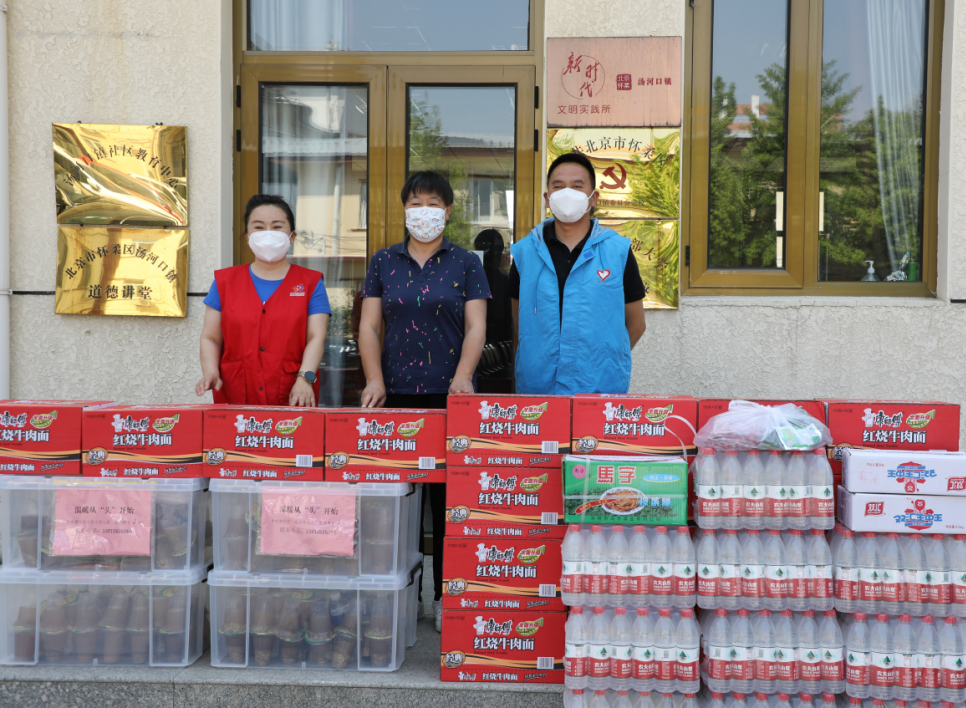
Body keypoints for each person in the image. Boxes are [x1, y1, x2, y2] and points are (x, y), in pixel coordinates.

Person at [357, 170, 490, 632]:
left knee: (449, 502)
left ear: (448, 211)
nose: (424, 211)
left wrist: (463, 377)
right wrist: (374, 379)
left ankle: (445, 596)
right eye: (415, 203)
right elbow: (369, 325)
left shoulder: (466, 262)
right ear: (404, 209)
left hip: (451, 396)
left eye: (433, 203)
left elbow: (476, 325)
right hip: (395, 395)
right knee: (403, 502)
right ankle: (406, 596)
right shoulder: (383, 261)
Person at [510, 152, 647, 394]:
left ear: (593, 198)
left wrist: (607, 361)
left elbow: (636, 325)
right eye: (558, 186)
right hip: (538, 393)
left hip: (599, 391)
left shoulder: (618, 252)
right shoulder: (524, 254)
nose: (567, 193)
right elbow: (521, 326)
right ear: (547, 198)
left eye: (577, 186)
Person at [195, 195, 330, 406]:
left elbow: (316, 337)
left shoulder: (311, 283)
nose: (268, 234)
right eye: (259, 227)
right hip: (235, 391)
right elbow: (211, 337)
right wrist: (210, 371)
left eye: (277, 227)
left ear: (292, 237)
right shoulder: (225, 282)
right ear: (248, 236)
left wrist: (305, 378)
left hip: (294, 393)